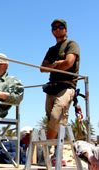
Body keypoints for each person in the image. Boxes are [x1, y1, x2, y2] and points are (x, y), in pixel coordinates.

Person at [40, 19, 80, 165]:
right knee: (52, 119)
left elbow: (69, 63)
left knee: (57, 116)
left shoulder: (71, 44)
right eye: (54, 27)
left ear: (66, 30)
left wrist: (54, 65)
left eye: (60, 27)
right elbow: (42, 68)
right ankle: (54, 154)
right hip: (52, 87)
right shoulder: (51, 50)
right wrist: (58, 64)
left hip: (67, 86)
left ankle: (47, 148)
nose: (57, 29)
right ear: (52, 31)